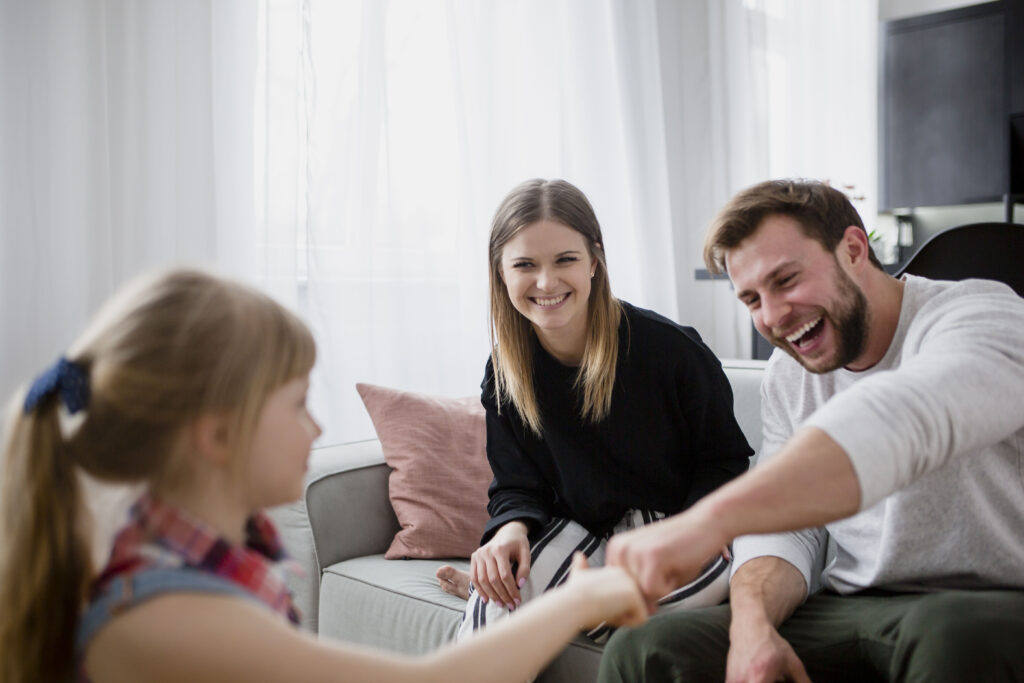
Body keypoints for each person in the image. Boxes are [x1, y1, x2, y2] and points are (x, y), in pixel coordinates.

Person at [0, 268, 649, 683]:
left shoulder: (199, 554)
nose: (316, 428)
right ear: (217, 434)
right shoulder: (162, 613)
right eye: (297, 403)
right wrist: (577, 600)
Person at [598, 179, 1024, 682]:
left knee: (955, 635)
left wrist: (705, 523)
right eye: (752, 299)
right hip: (853, 607)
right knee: (647, 647)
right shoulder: (790, 373)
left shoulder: (982, 316)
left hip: (988, 602)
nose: (773, 316)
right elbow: (783, 531)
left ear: (853, 250)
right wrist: (752, 628)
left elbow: (903, 419)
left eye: (786, 280)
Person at [435, 178, 753, 643]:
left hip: (675, 529)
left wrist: (696, 531)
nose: (546, 282)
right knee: (497, 598)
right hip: (576, 532)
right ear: (501, 273)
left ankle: (555, 600)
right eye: (524, 264)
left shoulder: (671, 349)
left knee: (667, 606)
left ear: (594, 263)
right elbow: (517, 484)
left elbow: (725, 459)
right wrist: (509, 531)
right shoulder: (504, 372)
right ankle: (535, 597)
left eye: (565, 259)